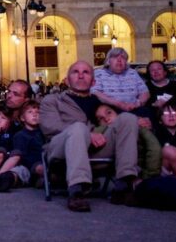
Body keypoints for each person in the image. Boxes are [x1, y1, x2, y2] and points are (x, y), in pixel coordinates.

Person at [40, 60, 139, 212]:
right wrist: (87, 133)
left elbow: (113, 124)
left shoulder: (99, 103)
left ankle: (124, 183)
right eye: (75, 72)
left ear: (93, 81)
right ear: (67, 80)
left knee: (128, 118)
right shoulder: (52, 100)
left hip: (94, 150)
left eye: (85, 72)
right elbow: (49, 127)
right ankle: (77, 190)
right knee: (78, 128)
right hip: (61, 149)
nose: (80, 75)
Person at [93, 48, 150, 118]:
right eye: (115, 57)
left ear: (126, 62)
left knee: (148, 114)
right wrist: (119, 104)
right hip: (112, 110)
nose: (119, 60)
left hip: (134, 108)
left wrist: (137, 104)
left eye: (123, 57)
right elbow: (95, 92)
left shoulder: (132, 73)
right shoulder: (99, 73)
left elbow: (145, 92)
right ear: (108, 61)